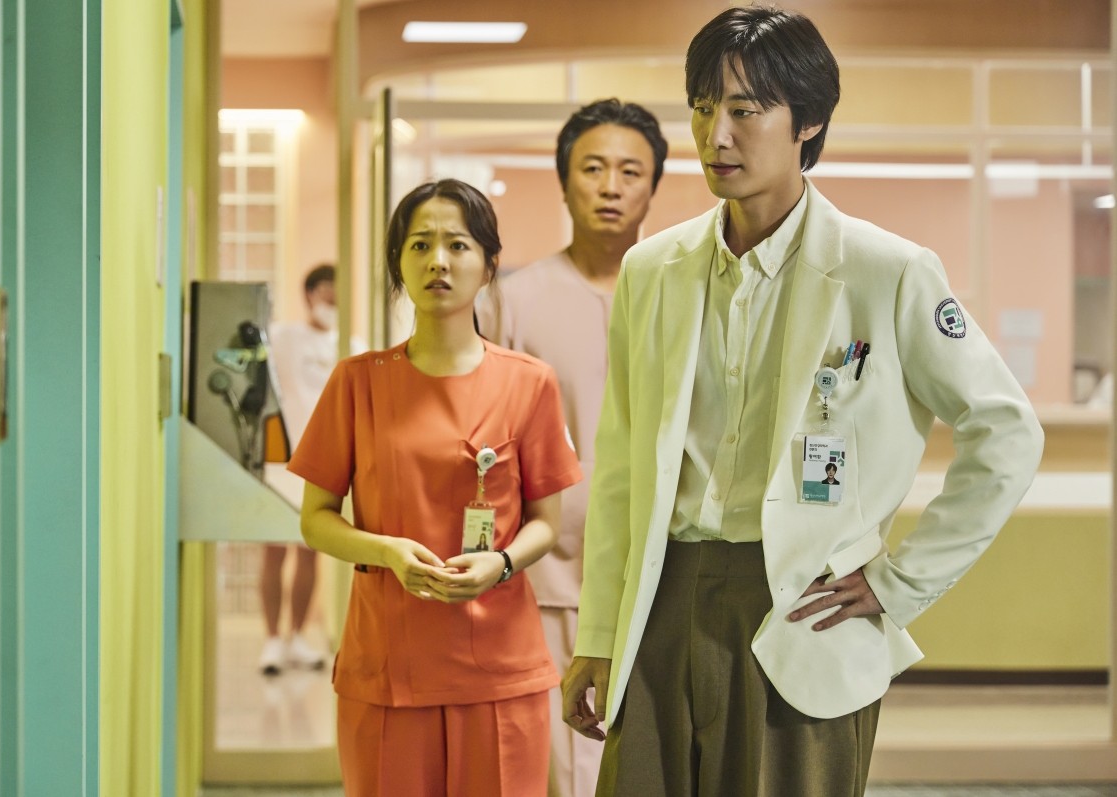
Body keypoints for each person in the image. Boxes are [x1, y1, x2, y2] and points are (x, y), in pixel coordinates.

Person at [561, 7, 1044, 796]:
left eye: (745, 110)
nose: (716, 134)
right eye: (704, 106)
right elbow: (619, 468)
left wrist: (899, 581)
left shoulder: (886, 270)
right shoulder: (652, 271)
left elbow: (1006, 432)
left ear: (809, 121)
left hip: (801, 612)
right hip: (663, 598)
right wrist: (601, 634)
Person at [289, 178, 582, 796]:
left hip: (500, 671)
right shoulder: (357, 383)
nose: (438, 261)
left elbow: (547, 524)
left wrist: (500, 562)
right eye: (419, 245)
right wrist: (387, 551)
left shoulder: (530, 384)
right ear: (398, 263)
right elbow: (315, 518)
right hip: (388, 668)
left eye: (458, 244)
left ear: (488, 263)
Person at [476, 97, 667, 797]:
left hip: (663, 571)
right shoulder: (513, 300)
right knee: (561, 770)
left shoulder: (681, 294)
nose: (611, 186)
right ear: (563, 182)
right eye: (592, 168)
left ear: (653, 186)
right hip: (546, 576)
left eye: (629, 171)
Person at [260, 264, 340, 675]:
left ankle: (297, 637)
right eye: (326, 292)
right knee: (273, 548)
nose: (331, 301)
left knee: (311, 551)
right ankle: (273, 639)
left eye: (337, 294)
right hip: (282, 459)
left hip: (323, 462)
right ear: (309, 294)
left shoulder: (352, 344)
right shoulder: (285, 337)